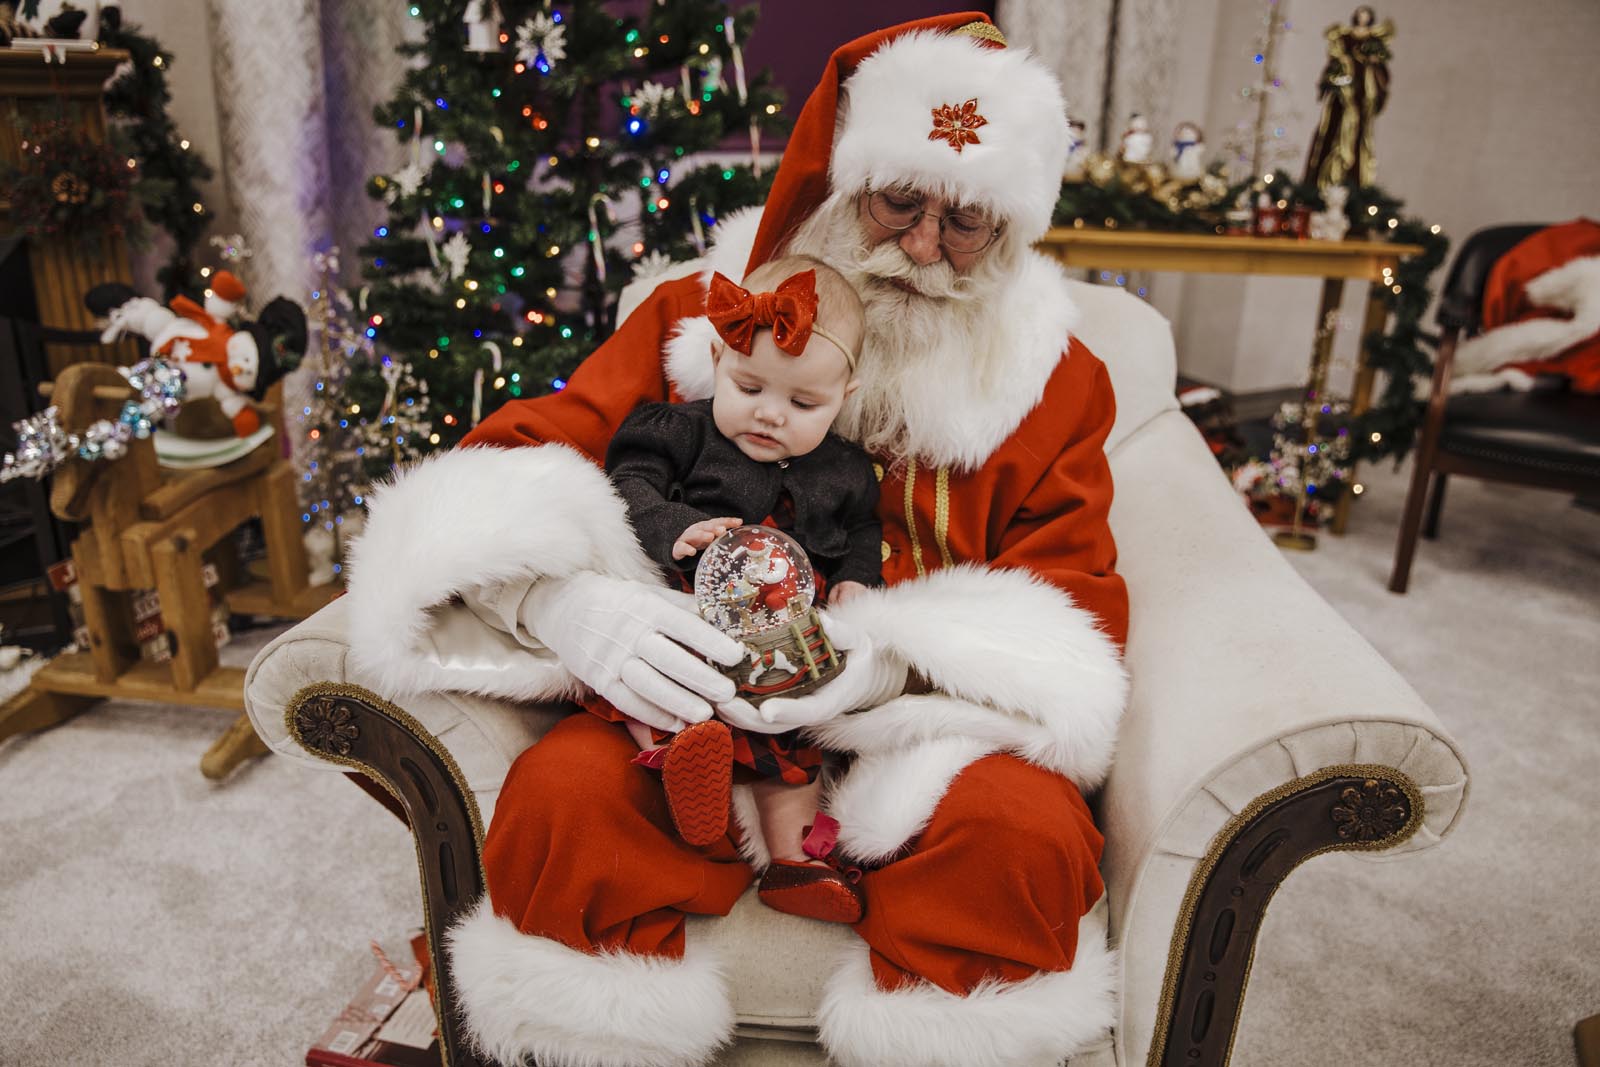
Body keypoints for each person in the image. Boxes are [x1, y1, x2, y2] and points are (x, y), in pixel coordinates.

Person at [346, 13, 1129, 1067]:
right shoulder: (702, 316)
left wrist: (892, 661)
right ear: (846, 184)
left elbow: (1072, 598)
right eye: (902, 200)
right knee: (564, 800)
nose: (923, 247)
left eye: (969, 222)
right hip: (695, 694)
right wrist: (560, 603)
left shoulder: (1056, 384)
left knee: (1023, 838)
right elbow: (523, 458)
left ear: (1013, 231)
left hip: (926, 727)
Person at [601, 255, 880, 923]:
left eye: (803, 402)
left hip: (783, 635)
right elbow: (626, 483)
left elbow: (864, 531)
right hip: (688, 611)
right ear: (716, 359)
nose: (771, 416)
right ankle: (679, 757)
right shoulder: (682, 431)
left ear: (846, 395)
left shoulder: (845, 470)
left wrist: (855, 580)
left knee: (793, 737)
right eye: (749, 387)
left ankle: (793, 862)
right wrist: (674, 524)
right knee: (665, 675)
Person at [1303, 5, 1394, 189]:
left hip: (1361, 96)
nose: (1363, 17)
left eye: (1366, 15)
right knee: (1331, 133)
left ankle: (1351, 183)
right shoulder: (1343, 38)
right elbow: (1333, 66)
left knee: (1356, 137)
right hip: (1341, 97)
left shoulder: (1373, 42)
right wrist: (1338, 73)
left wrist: (1372, 65)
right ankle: (1323, 181)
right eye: (1361, 14)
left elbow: (1382, 74)